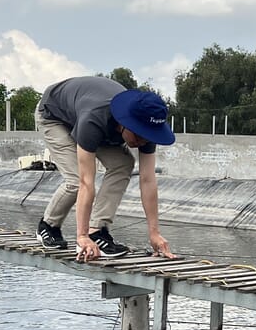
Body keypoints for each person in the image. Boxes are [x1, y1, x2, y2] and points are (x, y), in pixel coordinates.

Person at [35, 75, 177, 261]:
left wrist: (154, 233)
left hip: (91, 115)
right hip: (55, 117)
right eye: (138, 135)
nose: (141, 142)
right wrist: (82, 237)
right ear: (126, 122)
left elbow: (148, 180)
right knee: (76, 180)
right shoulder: (94, 119)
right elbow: (86, 182)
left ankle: (97, 231)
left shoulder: (146, 130)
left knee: (123, 163)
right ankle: (48, 226)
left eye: (147, 137)